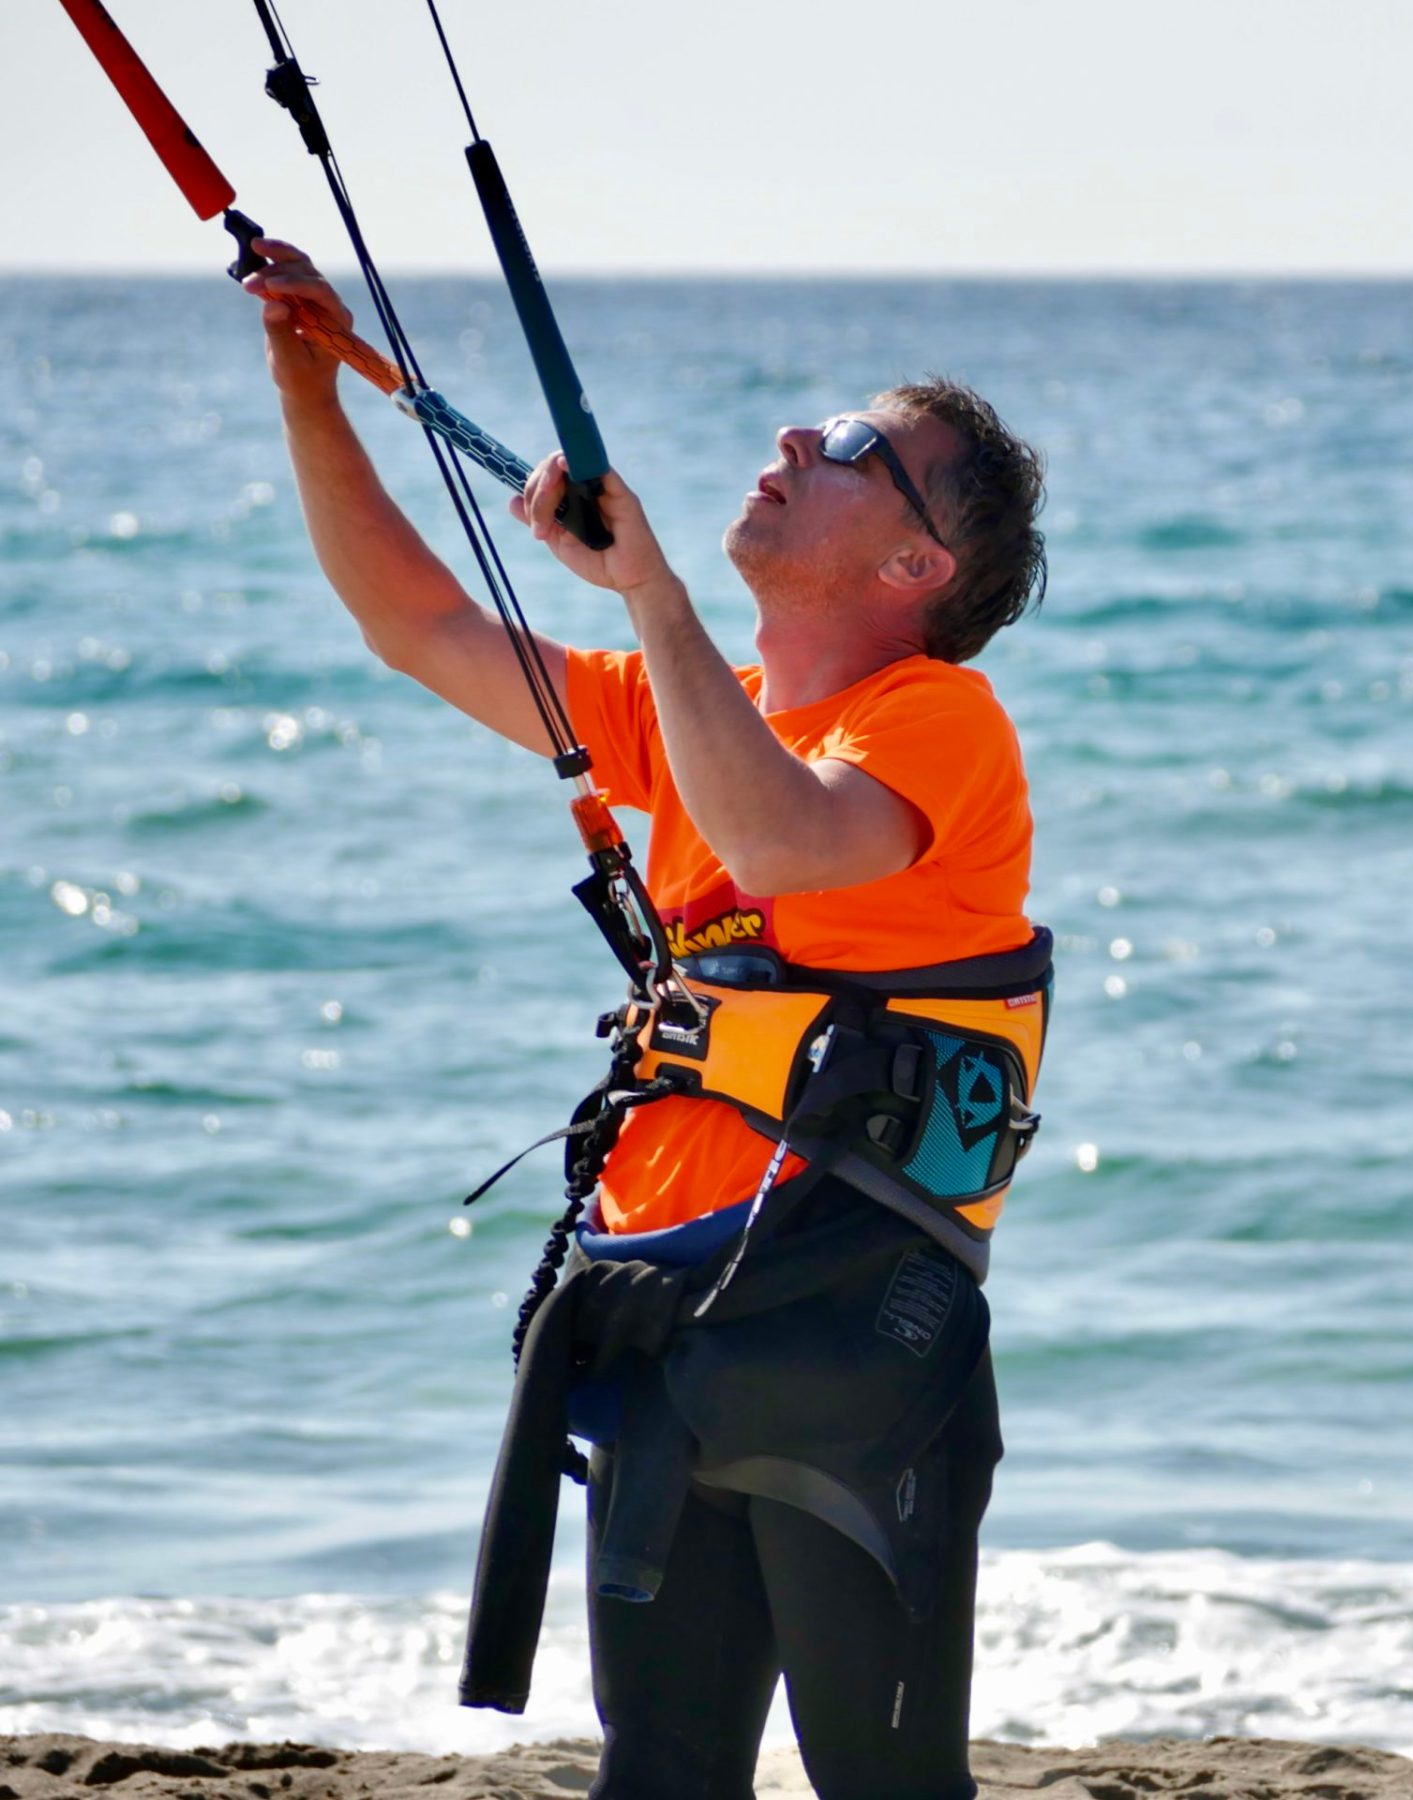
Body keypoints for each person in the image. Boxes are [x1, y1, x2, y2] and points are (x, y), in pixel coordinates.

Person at [243, 239, 1050, 1800]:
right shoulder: (683, 707)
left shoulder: (939, 722)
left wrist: (657, 589)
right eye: (819, 422)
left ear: (916, 573)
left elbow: (784, 844)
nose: (798, 441)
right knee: (660, 1779)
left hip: (853, 1325)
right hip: (671, 1310)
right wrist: (306, 382)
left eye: (861, 452)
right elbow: (414, 628)